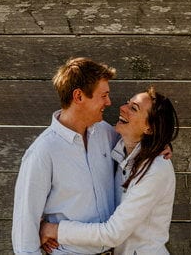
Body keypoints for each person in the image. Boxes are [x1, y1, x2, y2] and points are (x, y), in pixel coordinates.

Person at [39, 87, 178, 255]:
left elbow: (113, 234)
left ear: (149, 128)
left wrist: (54, 230)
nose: (123, 108)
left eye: (134, 108)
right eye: (127, 103)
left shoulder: (155, 170)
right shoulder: (121, 149)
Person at [13, 57, 121, 254]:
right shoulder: (43, 151)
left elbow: (137, 148)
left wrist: (161, 145)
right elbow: (25, 226)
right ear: (78, 96)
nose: (109, 102)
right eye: (103, 95)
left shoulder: (106, 133)